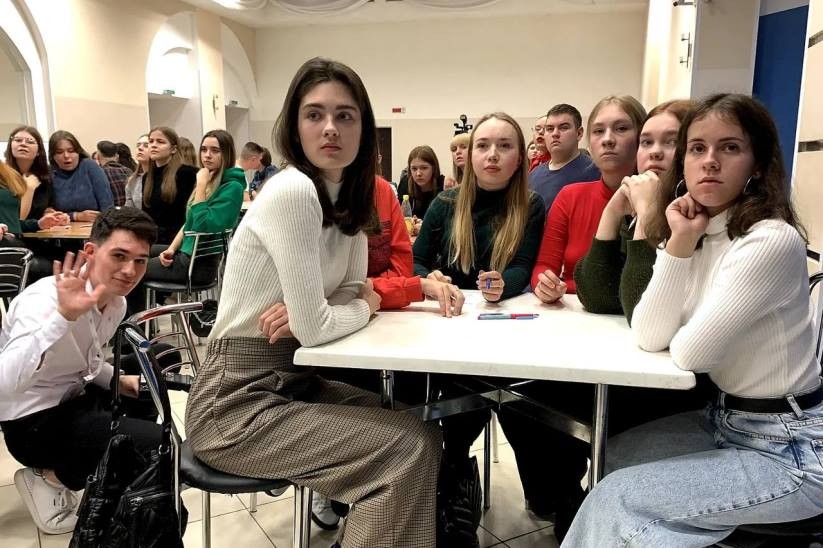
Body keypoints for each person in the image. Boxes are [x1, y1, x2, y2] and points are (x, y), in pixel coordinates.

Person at [184, 57, 442, 548]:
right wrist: (358, 306)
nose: (330, 128)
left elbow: (343, 293)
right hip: (234, 402)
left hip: (293, 381)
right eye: (314, 114)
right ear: (294, 126)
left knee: (418, 427)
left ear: (364, 129)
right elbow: (328, 318)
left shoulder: (350, 198)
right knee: (404, 448)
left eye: (345, 115)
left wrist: (329, 307)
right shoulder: (294, 190)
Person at [563, 92, 823, 547]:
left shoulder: (769, 240)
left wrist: (677, 247)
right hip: (726, 419)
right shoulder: (696, 229)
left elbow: (690, 353)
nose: (710, 161)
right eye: (698, 148)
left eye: (730, 147)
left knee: (619, 498)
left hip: (791, 449)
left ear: (757, 164)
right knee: (612, 455)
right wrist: (679, 242)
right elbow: (648, 333)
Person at [413, 112, 547, 546]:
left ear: (519, 158)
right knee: (457, 396)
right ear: (469, 156)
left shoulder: (531, 205)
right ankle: (452, 480)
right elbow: (416, 261)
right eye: (483, 146)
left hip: (504, 332)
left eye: (504, 146)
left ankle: (463, 476)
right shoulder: (444, 204)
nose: (492, 155)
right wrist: (430, 280)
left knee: (514, 403)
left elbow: (524, 265)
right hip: (447, 328)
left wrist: (504, 283)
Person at [0, 207, 164, 535]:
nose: (130, 271)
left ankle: (105, 470)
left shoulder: (116, 303)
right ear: (90, 251)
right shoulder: (43, 301)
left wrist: (119, 380)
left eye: (140, 260)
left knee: (150, 372)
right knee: (154, 444)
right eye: (119, 256)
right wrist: (62, 318)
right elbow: (4, 386)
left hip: (72, 397)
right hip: (31, 423)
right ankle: (50, 478)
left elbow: (84, 365)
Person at [576, 99, 693, 321]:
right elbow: (598, 297)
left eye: (671, 142)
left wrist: (647, 213)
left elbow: (641, 314)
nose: (655, 152)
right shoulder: (638, 206)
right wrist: (611, 213)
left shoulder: (695, 215)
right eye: (646, 142)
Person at [531, 95, 646, 303]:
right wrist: (546, 284)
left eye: (621, 128)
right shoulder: (570, 196)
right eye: (598, 131)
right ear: (589, 141)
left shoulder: (664, 202)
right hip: (575, 309)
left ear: (642, 138)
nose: (608, 139)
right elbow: (545, 265)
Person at [135, 129, 244, 306]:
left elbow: (201, 225)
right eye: (204, 149)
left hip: (197, 265)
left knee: (131, 268)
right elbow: (189, 221)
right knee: (137, 253)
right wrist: (172, 249)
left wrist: (200, 185)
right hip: (185, 253)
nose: (207, 155)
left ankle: (134, 320)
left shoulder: (232, 187)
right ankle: (142, 318)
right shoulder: (210, 179)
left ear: (227, 153)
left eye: (215, 150)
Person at [527, 104, 601, 212]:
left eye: (564, 127)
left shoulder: (595, 172)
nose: (555, 134)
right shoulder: (534, 175)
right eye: (550, 129)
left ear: (579, 133)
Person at [142, 127, 197, 244]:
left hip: (179, 240)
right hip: (154, 239)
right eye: (151, 141)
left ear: (173, 149)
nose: (153, 145)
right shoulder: (147, 177)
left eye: (160, 142)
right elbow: (147, 214)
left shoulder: (187, 173)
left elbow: (188, 214)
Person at [49, 130, 114, 222]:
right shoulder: (50, 174)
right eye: (59, 152)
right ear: (53, 156)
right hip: (63, 228)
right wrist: (76, 216)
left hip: (95, 226)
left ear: (78, 152)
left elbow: (108, 207)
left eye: (71, 151)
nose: (66, 156)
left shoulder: (89, 166)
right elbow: (49, 214)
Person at [397, 145, 444, 222]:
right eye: (414, 169)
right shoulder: (405, 183)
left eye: (424, 168)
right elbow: (399, 216)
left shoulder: (443, 185)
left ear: (434, 168)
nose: (418, 173)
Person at [97, 140, 133, 207]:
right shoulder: (129, 171)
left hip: (109, 212)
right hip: (129, 212)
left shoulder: (98, 174)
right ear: (117, 156)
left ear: (98, 157)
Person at [124, 134, 149, 209]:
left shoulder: (162, 178)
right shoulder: (132, 180)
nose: (140, 148)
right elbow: (129, 209)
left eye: (146, 145)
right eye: (138, 145)